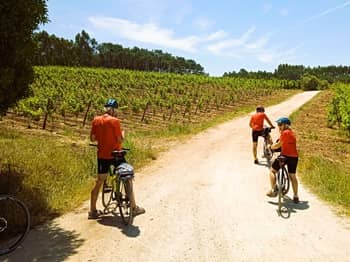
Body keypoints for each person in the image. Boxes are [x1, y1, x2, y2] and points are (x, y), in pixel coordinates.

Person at [89, 98, 145, 219]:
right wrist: (123, 133)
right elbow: (120, 139)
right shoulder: (115, 121)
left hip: (102, 155)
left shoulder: (96, 120)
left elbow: (92, 138)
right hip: (116, 155)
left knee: (99, 181)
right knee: (127, 177)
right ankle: (134, 208)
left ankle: (92, 211)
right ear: (113, 110)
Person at [266, 117, 299, 204]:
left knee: (272, 171)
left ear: (286, 125)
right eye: (278, 125)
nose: (279, 126)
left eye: (280, 125)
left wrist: (270, 147)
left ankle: (273, 190)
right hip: (294, 157)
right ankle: (296, 196)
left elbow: (277, 145)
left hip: (285, 156)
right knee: (292, 176)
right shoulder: (291, 133)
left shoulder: (285, 133)